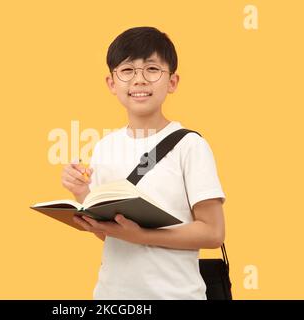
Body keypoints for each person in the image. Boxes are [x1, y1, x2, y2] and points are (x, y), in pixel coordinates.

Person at [61, 26, 226, 299]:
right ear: (111, 83)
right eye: (127, 71)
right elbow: (112, 234)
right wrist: (80, 193)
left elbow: (213, 233)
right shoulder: (104, 147)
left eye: (152, 69)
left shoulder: (190, 146)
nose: (139, 80)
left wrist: (143, 236)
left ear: (172, 82)